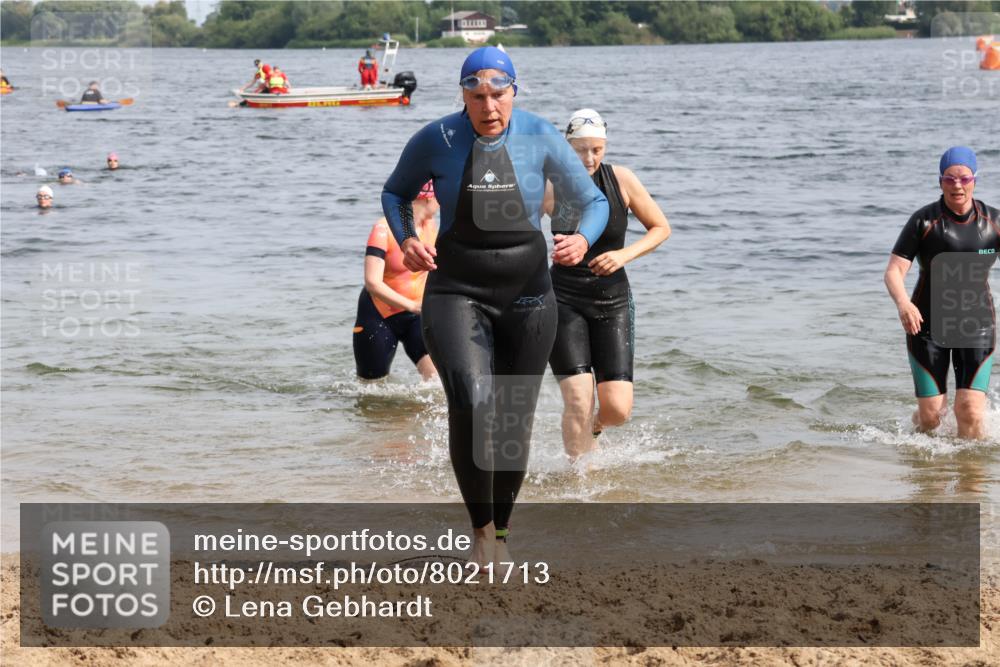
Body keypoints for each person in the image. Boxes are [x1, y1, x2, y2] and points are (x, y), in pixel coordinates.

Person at [381, 47, 609, 566]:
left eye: (498, 94)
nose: (488, 106)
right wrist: (406, 239)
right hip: (455, 291)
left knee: (512, 422)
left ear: (514, 92)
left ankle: (502, 533)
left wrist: (583, 241)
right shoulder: (436, 140)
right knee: (471, 401)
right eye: (477, 95)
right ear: (462, 94)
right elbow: (394, 194)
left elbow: (593, 201)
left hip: (529, 297)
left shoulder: (540, 134)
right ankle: (480, 532)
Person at [543, 109, 671, 460]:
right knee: (578, 398)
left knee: (617, 409)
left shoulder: (622, 180)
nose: (589, 159)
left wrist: (623, 255)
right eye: (580, 150)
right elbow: (515, 232)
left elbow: (661, 228)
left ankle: (593, 429)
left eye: (597, 150)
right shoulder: (550, 186)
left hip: (612, 301)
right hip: (563, 300)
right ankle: (579, 483)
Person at [884, 146, 1000, 440]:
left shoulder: (993, 223)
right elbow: (894, 271)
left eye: (963, 178)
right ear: (940, 181)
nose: (957, 186)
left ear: (975, 179)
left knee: (970, 412)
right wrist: (903, 304)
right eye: (949, 179)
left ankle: (971, 479)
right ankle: (925, 458)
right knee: (932, 418)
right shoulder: (924, 222)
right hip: (927, 327)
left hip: (977, 326)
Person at [354, 182, 439, 381]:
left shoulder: (431, 226)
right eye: (440, 197)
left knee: (436, 381)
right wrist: (411, 305)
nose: (442, 203)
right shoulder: (383, 228)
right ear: (427, 197)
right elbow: (372, 283)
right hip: (378, 315)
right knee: (371, 390)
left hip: (417, 315)